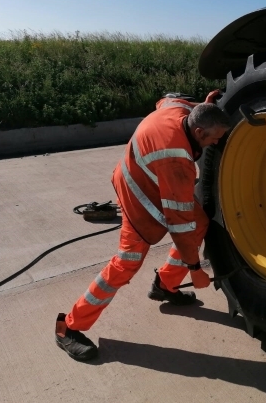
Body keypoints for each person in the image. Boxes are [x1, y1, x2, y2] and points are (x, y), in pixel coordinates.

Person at [55, 90, 230, 361]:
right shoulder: (176, 162)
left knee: (200, 223)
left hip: (149, 174)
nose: (217, 143)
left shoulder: (177, 110)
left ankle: (165, 284)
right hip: (137, 193)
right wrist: (195, 269)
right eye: (215, 138)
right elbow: (179, 222)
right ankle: (68, 326)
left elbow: (168, 98)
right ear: (198, 131)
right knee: (127, 262)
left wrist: (207, 104)